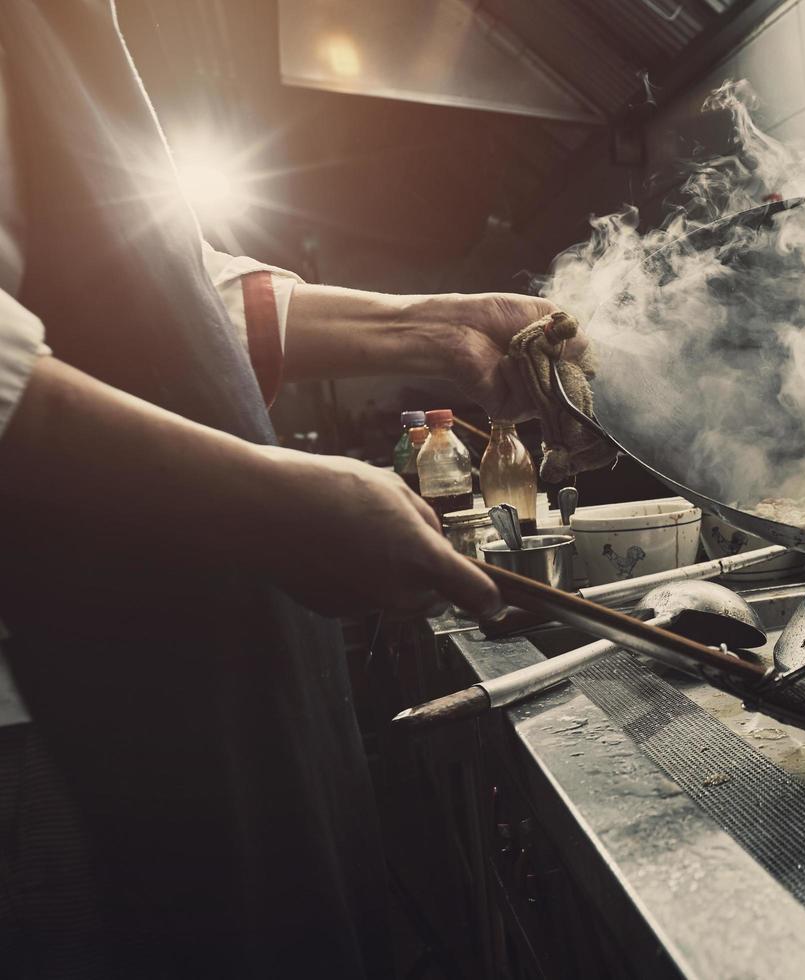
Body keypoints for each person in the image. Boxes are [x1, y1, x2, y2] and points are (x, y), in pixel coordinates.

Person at [0, 2, 601, 976]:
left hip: (186, 695)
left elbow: (156, 290)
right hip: (45, 739)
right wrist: (268, 501)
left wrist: (436, 327)